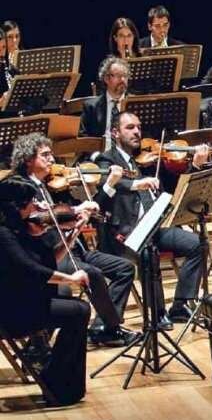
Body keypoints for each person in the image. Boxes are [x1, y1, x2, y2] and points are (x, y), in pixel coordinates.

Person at [11, 133, 135, 346]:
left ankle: (102, 327)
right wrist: (76, 210)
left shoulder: (47, 184)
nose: (52, 160)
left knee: (124, 268)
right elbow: (39, 219)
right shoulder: (21, 188)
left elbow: (64, 212)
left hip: (75, 247)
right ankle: (111, 328)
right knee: (92, 274)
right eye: (45, 155)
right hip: (52, 254)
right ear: (28, 159)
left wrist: (80, 214)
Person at [94, 111, 207, 324]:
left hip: (155, 227)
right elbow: (106, 182)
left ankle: (180, 305)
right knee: (148, 254)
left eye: (138, 127)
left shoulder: (147, 160)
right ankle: (157, 314)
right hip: (126, 233)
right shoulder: (107, 159)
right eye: (130, 128)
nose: (137, 132)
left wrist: (196, 165)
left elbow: (176, 188)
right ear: (115, 132)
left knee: (198, 243)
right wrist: (136, 183)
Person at [0, 176, 90, 405]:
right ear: (17, 205)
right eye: (32, 201)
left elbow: (47, 264)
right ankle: (56, 382)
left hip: (23, 300)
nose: (37, 206)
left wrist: (72, 235)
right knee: (79, 311)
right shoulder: (4, 234)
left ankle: (56, 378)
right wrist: (71, 278)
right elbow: (30, 270)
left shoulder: (19, 229)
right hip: (11, 312)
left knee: (74, 305)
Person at [79, 57, 130, 144]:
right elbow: (83, 136)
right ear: (106, 79)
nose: (122, 80)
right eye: (118, 76)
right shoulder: (91, 106)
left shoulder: (135, 103)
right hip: (100, 149)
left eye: (125, 76)